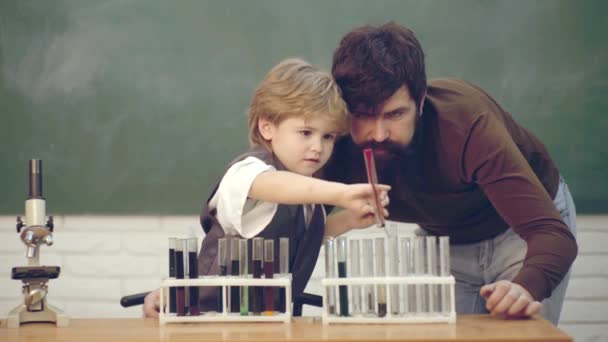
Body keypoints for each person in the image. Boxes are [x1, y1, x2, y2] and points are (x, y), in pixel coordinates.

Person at [323, 22, 577, 325]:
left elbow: (551, 234)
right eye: (363, 115)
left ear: (419, 102)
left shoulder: (467, 125)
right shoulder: (329, 139)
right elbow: (299, 227)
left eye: (395, 114)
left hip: (520, 235)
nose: (378, 134)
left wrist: (524, 286)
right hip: (443, 242)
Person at [143, 58, 390, 317]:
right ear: (267, 126)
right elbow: (269, 185)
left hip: (266, 323)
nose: (318, 147)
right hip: (206, 319)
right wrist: (341, 193)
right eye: (306, 132)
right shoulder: (249, 171)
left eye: (328, 136)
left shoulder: (308, 197)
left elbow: (305, 239)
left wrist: (349, 220)